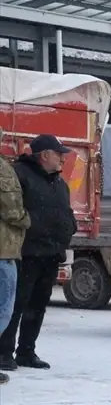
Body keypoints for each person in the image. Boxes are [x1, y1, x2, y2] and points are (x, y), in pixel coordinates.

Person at [0, 135, 76, 374]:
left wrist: (69, 226)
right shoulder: (20, 174)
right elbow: (13, 210)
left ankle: (26, 351)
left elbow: (65, 211)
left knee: (38, 305)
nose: (63, 158)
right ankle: (4, 353)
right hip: (26, 253)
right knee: (15, 305)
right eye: (59, 153)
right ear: (44, 155)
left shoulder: (59, 182)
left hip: (51, 253)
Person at [0, 156, 31, 386]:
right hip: (3, 250)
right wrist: (27, 219)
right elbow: (13, 212)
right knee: (3, 309)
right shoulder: (3, 170)